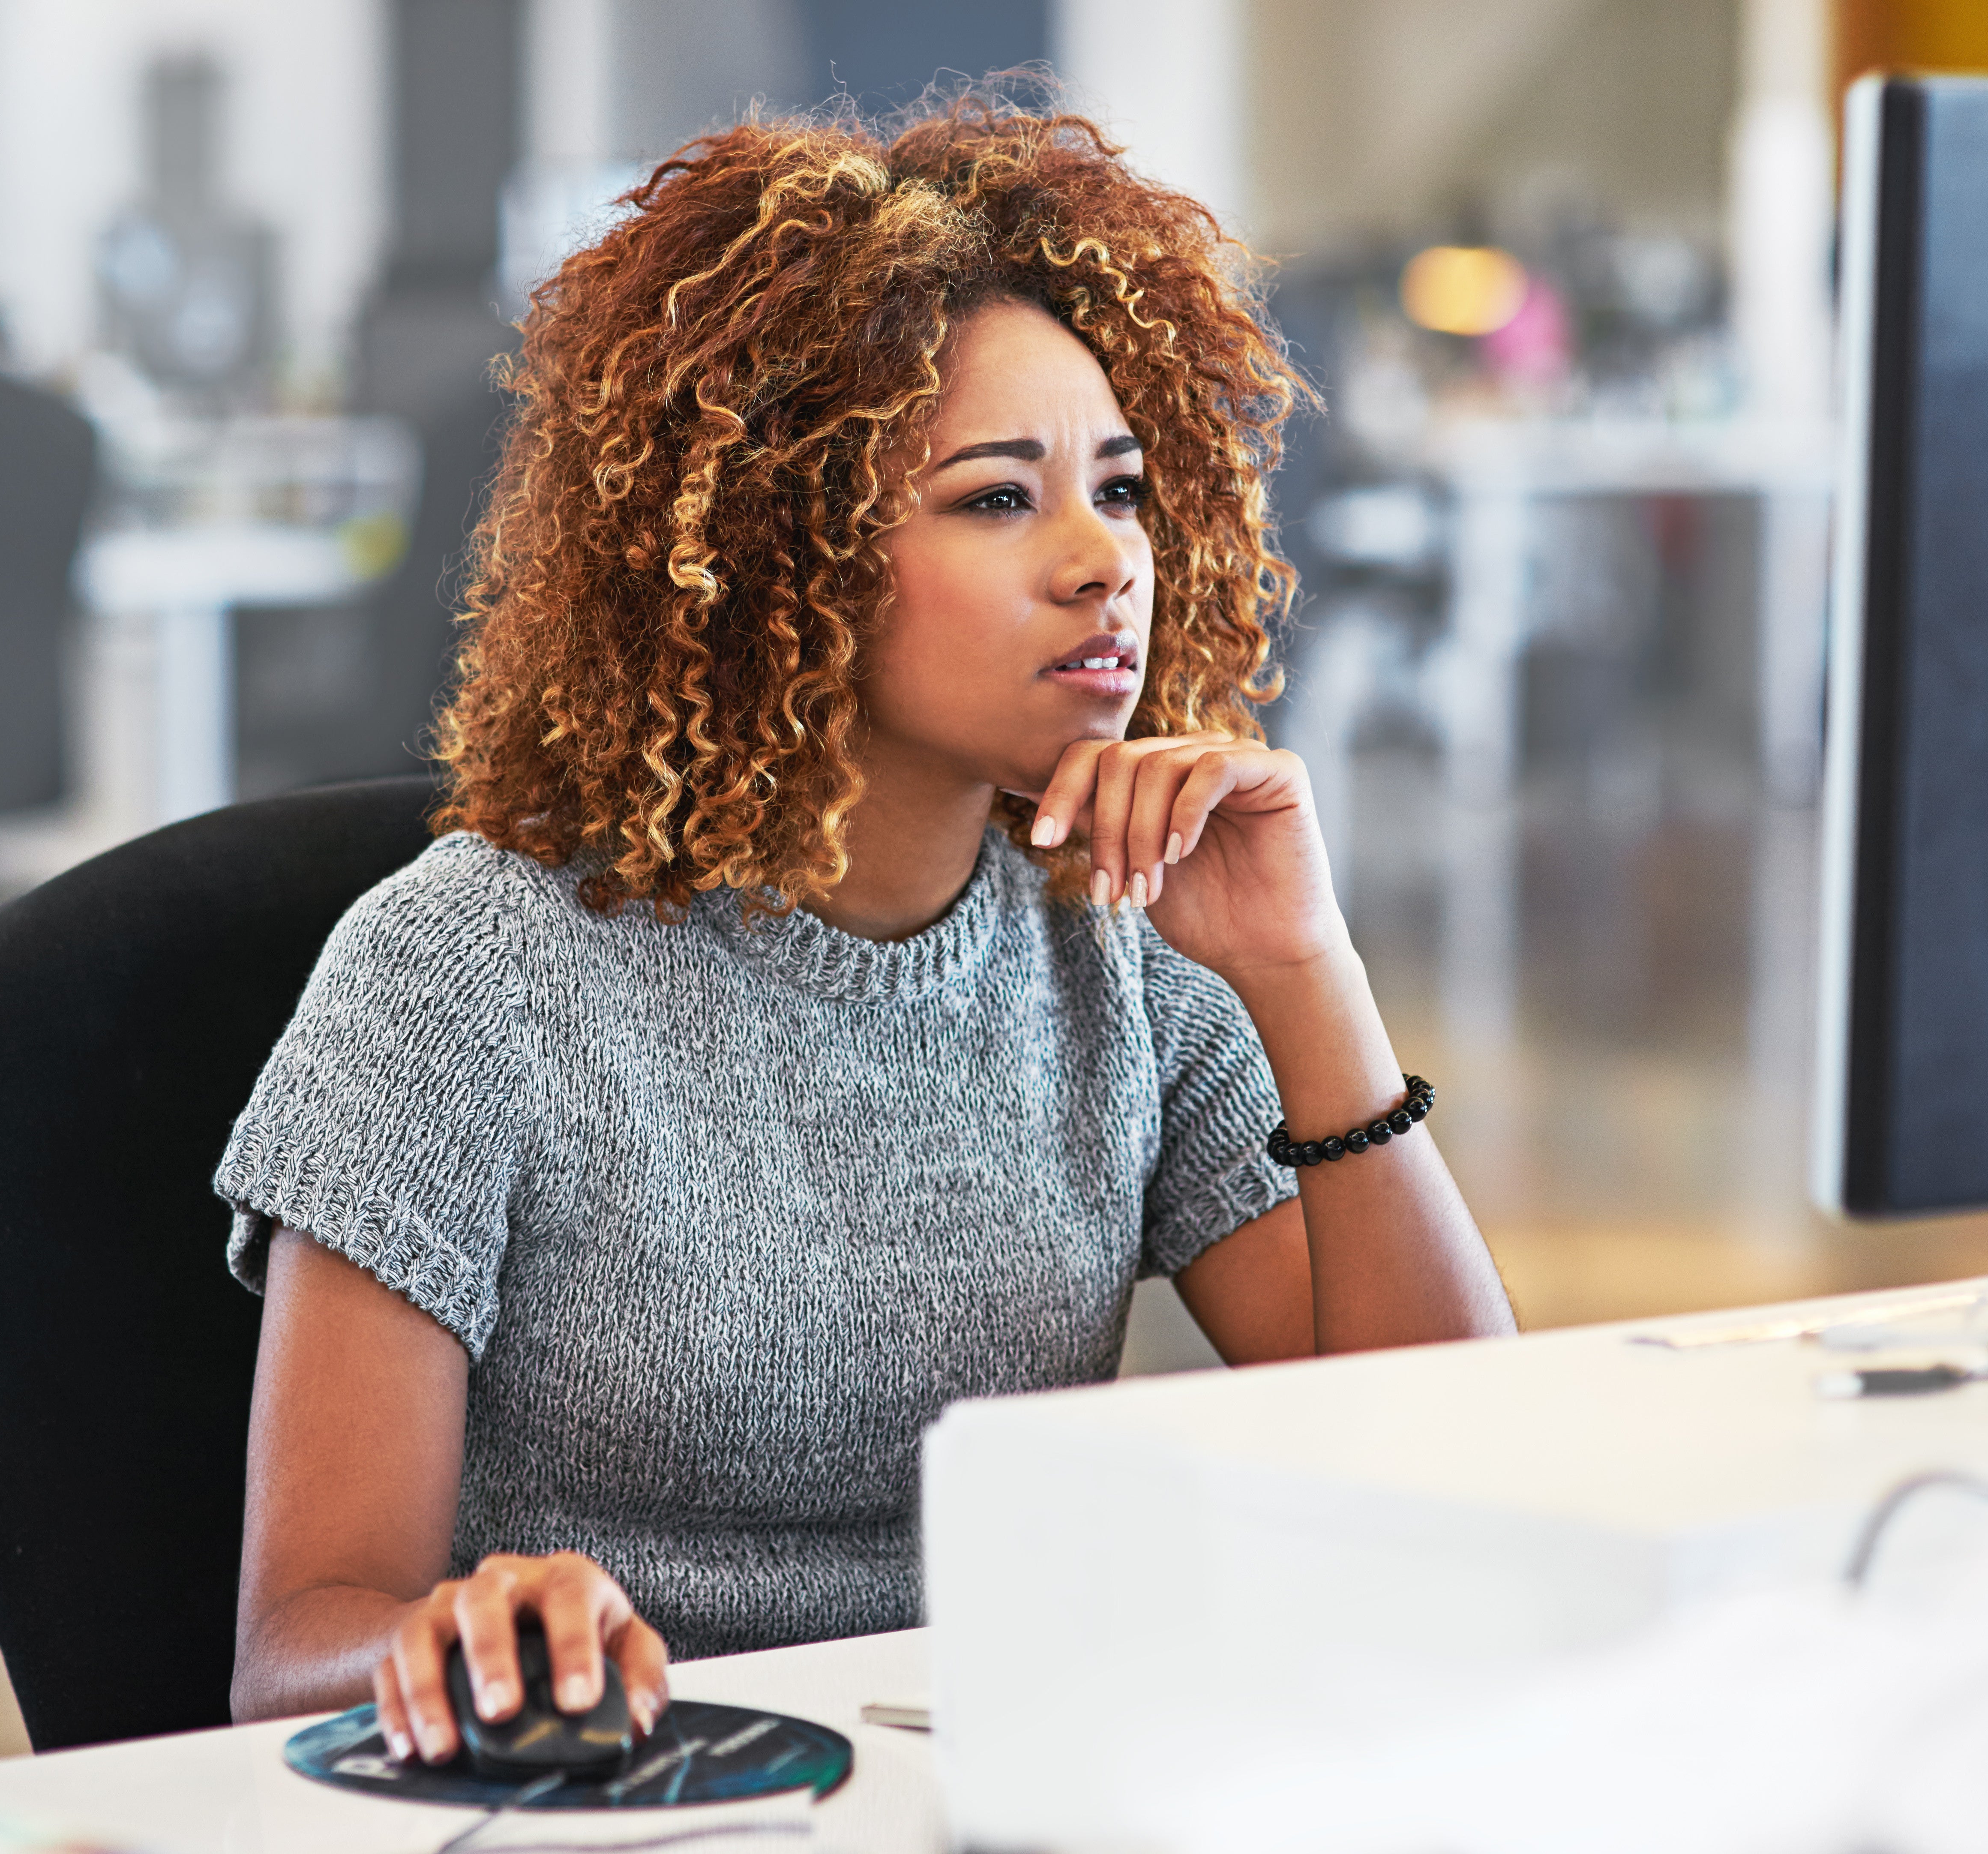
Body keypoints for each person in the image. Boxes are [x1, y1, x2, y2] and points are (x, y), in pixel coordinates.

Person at [219, 95, 1515, 1765]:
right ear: (782, 548)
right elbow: (291, 1641)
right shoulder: (460, 975)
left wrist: (1301, 966)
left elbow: (1455, 1469)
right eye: (996, 499)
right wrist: (459, 1643)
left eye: (1118, 490)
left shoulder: (1117, 948)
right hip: (619, 1796)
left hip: (987, 1775)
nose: (1101, 564)